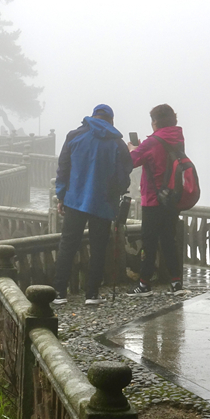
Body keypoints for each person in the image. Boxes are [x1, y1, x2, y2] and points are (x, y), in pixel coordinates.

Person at [52, 104, 133, 306]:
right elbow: (124, 175)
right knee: (99, 248)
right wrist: (117, 192)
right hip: (103, 204)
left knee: (68, 245)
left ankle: (59, 292)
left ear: (92, 116)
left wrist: (61, 196)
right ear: (111, 120)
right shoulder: (117, 142)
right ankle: (92, 294)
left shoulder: (74, 136)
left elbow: (63, 168)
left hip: (75, 201)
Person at [126, 104, 185, 297]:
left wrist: (132, 148)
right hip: (172, 199)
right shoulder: (177, 138)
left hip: (153, 199)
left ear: (155, 122)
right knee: (169, 240)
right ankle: (176, 283)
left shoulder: (152, 142)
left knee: (149, 243)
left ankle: (144, 284)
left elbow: (132, 160)